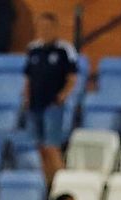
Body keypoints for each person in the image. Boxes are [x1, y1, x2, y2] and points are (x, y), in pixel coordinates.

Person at [22, 13, 81, 186]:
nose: (44, 31)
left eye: (48, 28)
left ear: (55, 29)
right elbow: (28, 77)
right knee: (40, 148)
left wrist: (62, 96)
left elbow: (72, 77)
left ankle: (62, 183)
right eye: (41, 28)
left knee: (51, 146)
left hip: (52, 105)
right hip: (34, 105)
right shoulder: (33, 49)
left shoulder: (64, 50)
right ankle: (48, 183)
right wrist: (26, 98)